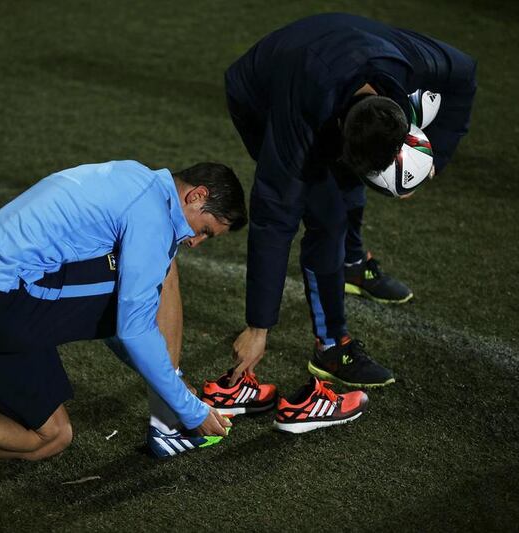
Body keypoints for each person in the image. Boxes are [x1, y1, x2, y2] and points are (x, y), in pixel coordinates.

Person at [0, 160, 246, 509]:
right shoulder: (151, 211)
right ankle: (170, 418)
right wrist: (186, 403)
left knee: (52, 437)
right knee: (161, 272)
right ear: (196, 195)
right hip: (2, 299)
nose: (196, 241)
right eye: (204, 230)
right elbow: (132, 329)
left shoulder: (131, 177)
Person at [201, 13, 477, 421]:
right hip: (261, 93)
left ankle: (350, 264)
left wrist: (439, 160)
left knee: (347, 190)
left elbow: (465, 73)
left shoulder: (411, 62)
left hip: (341, 51)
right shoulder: (299, 125)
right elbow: (273, 221)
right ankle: (332, 349)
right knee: (327, 215)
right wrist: (258, 327)